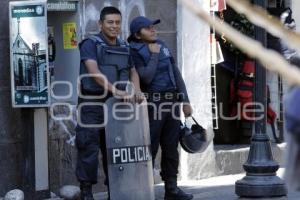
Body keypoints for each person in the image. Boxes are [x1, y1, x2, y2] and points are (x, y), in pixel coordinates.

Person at [76, 7, 142, 200]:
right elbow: (94, 72)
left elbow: (133, 71)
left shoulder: (124, 46)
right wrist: (118, 91)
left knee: (115, 147)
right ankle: (86, 191)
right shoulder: (90, 44)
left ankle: (115, 190)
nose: (115, 26)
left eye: (117, 22)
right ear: (100, 24)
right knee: (88, 146)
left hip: (117, 106)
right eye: (110, 22)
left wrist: (136, 90)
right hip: (92, 103)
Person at [128, 16, 194, 200]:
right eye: (148, 28)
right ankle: (143, 190)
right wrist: (154, 55)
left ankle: (171, 189)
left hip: (172, 102)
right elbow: (145, 78)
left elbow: (176, 73)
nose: (153, 30)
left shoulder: (162, 44)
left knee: (171, 147)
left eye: (153, 27)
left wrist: (185, 100)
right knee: (150, 147)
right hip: (152, 105)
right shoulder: (133, 50)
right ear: (137, 34)